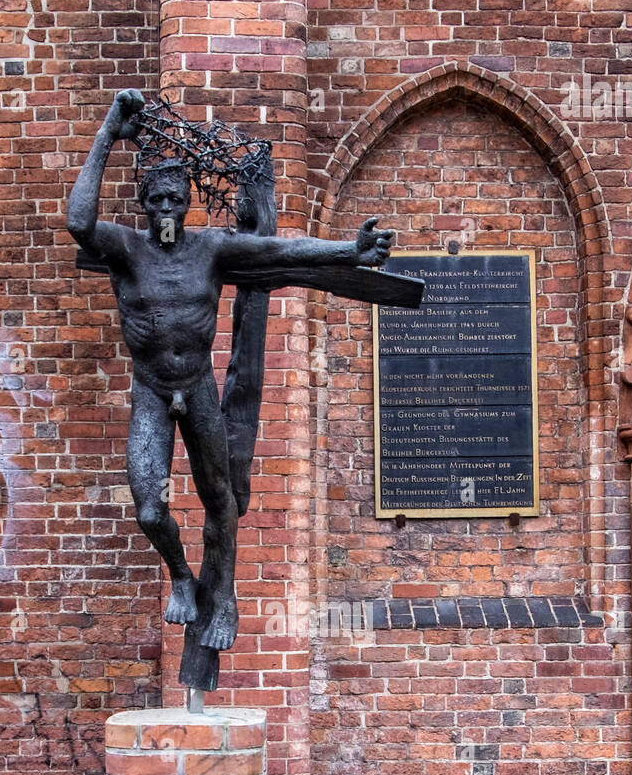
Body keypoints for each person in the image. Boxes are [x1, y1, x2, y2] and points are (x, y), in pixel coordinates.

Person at [67, 88, 393, 651]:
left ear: (187, 204)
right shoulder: (124, 249)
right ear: (145, 204)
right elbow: (78, 221)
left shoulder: (211, 248)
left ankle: (226, 597)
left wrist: (349, 252)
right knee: (149, 508)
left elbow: (280, 253)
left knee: (220, 497)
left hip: (196, 387)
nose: (167, 210)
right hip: (151, 390)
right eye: (158, 201)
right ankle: (182, 577)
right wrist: (106, 136)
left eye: (176, 201)